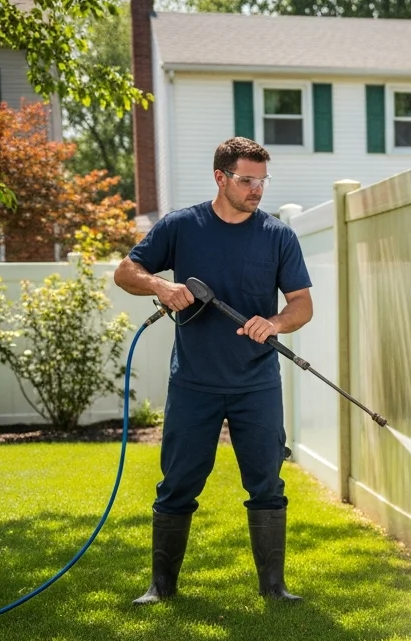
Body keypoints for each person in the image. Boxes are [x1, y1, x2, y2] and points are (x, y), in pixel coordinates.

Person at [114, 137, 313, 604]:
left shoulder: (277, 235)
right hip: (194, 383)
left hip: (257, 382)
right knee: (177, 483)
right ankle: (161, 587)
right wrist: (161, 287)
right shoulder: (183, 227)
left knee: (267, 482)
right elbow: (126, 271)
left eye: (262, 181)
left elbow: (301, 305)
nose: (256, 190)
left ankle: (274, 589)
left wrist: (276, 322)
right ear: (220, 177)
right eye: (247, 180)